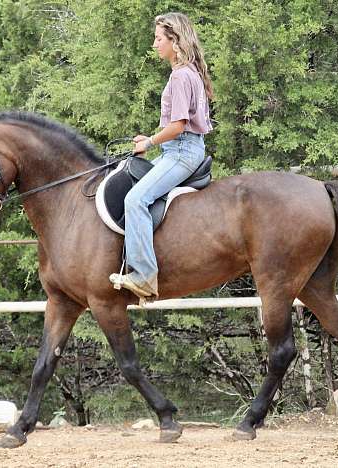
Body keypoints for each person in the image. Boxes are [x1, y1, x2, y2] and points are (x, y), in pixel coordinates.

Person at [109, 12, 213, 300]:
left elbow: (178, 126)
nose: (154, 44)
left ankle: (144, 275)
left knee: (135, 199)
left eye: (158, 39)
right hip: (178, 149)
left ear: (174, 41)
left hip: (180, 153)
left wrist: (150, 142)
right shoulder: (189, 72)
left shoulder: (181, 76)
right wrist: (150, 140)